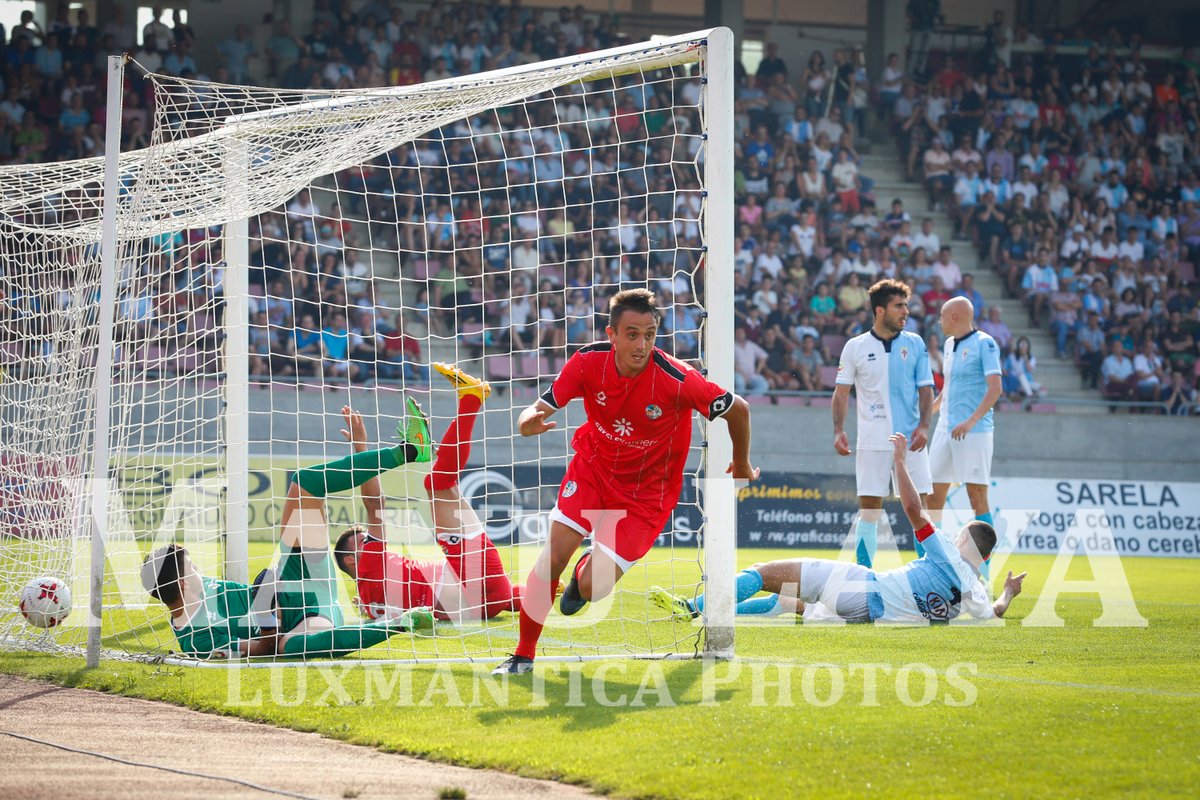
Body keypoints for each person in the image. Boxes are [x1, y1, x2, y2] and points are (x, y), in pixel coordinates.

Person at [493, 289, 758, 675]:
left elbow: (740, 409)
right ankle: (522, 656)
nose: (642, 344)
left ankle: (585, 573)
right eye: (632, 334)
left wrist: (742, 461)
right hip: (593, 470)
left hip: (646, 496)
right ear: (612, 334)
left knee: (592, 588)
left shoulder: (678, 378)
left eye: (649, 334)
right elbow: (542, 404)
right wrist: (526, 419)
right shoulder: (587, 362)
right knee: (552, 555)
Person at [140, 407, 434, 660]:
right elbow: (265, 650)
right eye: (191, 568)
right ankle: (399, 622)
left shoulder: (197, 587)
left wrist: (269, 593)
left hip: (298, 575)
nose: (199, 570)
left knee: (304, 482)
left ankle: (408, 450)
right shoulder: (196, 642)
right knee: (291, 647)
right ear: (180, 583)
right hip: (308, 622)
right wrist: (266, 615)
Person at [652, 433, 1026, 624]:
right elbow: (994, 612)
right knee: (785, 601)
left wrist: (899, 461)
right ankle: (708, 612)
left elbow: (913, 508)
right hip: (868, 615)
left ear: (962, 539)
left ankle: (693, 608)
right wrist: (1008, 592)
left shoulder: (947, 552)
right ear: (987, 556)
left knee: (762, 573)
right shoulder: (974, 589)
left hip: (864, 587)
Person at [333, 365, 523, 623]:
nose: (372, 539)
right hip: (475, 581)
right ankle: (471, 399)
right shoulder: (371, 566)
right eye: (364, 541)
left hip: (482, 602)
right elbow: (374, 504)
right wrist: (360, 448)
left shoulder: (367, 604)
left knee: (441, 482)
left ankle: (546, 590)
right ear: (351, 561)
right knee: (438, 484)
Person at [833, 279, 934, 568]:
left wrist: (925, 426)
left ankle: (928, 574)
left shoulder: (915, 343)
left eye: (906, 305)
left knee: (919, 510)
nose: (906, 312)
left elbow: (926, 389)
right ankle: (864, 576)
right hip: (872, 440)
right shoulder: (855, 347)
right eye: (899, 306)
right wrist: (839, 430)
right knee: (869, 513)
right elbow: (841, 392)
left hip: (911, 441)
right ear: (880, 310)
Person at [928, 297, 1003, 581]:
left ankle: (982, 574)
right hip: (945, 430)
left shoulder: (985, 343)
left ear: (956, 317)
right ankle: (931, 567)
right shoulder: (948, 346)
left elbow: (995, 388)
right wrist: (927, 417)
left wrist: (970, 421)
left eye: (943, 316)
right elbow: (947, 390)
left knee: (976, 497)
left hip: (975, 431)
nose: (940, 321)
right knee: (932, 498)